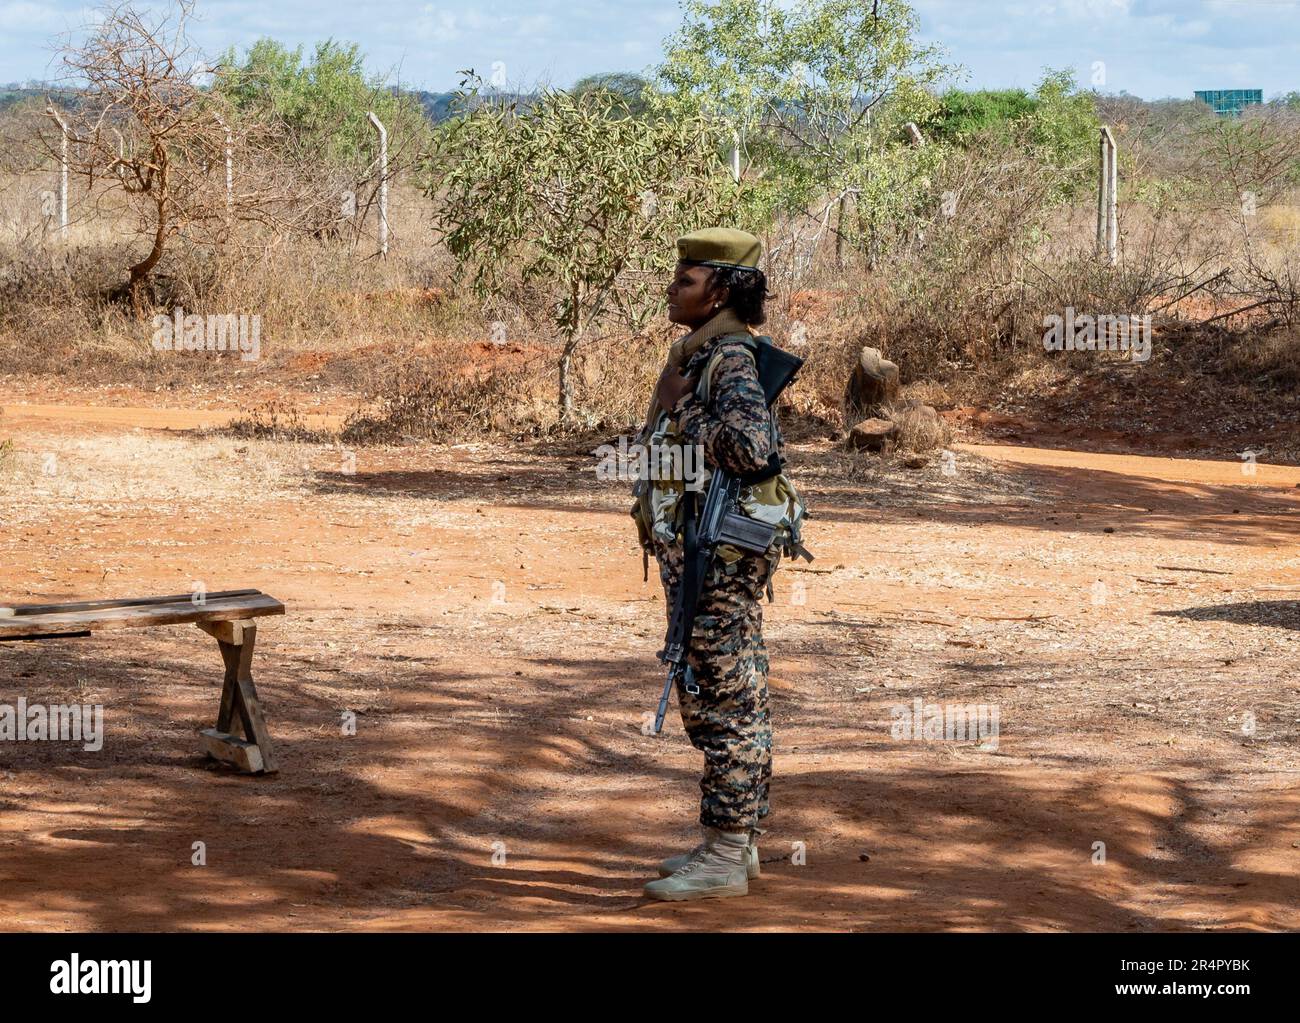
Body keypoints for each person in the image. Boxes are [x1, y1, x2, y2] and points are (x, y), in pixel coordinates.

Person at [631, 227, 808, 901]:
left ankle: (728, 851)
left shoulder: (727, 359)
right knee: (730, 692)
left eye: (686, 278)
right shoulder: (705, 352)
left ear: (724, 289)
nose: (673, 288)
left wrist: (687, 408)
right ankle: (732, 843)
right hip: (703, 551)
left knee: (725, 701)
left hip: (718, 555)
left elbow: (752, 449)